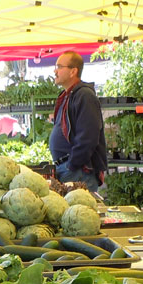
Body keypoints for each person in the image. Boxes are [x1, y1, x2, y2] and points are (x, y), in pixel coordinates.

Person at [48, 51, 107, 192]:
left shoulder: (84, 96)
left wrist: (72, 164)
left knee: (79, 211)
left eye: (59, 67)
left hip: (78, 172)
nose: (55, 71)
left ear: (73, 71)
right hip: (68, 169)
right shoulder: (67, 95)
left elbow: (88, 136)